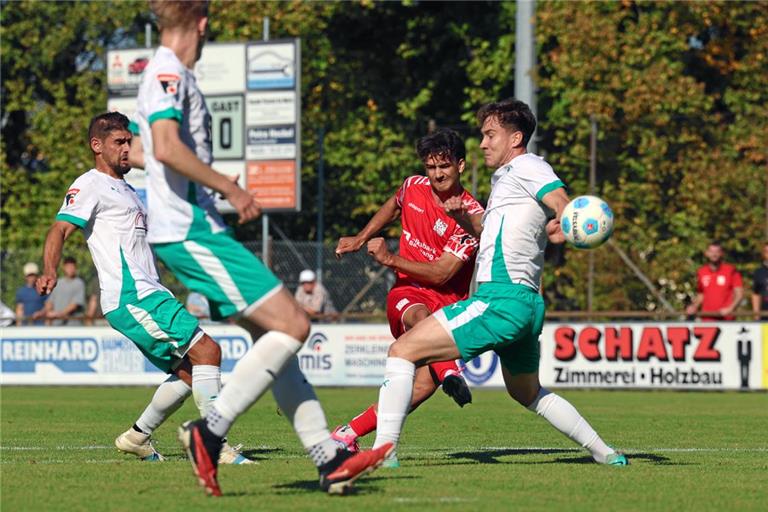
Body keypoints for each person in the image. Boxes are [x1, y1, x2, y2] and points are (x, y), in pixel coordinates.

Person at [131, 0, 392, 496]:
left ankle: (328, 458)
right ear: (202, 24)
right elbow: (165, 146)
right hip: (190, 231)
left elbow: (152, 149)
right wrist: (228, 189)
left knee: (275, 343)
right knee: (295, 323)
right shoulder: (169, 72)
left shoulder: (162, 73)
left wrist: (206, 185)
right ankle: (209, 432)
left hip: (193, 226)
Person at [369, 99, 628, 467]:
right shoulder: (507, 178)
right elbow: (498, 232)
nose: (483, 143)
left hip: (500, 299)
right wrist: (468, 219)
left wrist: (568, 214)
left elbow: (558, 197)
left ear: (516, 138)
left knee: (402, 351)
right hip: (525, 304)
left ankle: (383, 452)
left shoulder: (528, 165)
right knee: (528, 392)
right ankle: (607, 454)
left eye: (491, 134)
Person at [38, 112, 245, 468]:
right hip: (132, 296)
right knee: (208, 351)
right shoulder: (90, 185)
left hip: (149, 293)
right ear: (96, 146)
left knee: (189, 373)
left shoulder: (130, 190)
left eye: (129, 142)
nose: (126, 149)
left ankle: (136, 437)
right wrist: (50, 270)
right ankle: (213, 445)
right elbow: (59, 230)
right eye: (119, 142)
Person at [332, 128, 481, 466]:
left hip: (448, 306)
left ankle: (347, 434)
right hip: (407, 294)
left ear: (460, 165)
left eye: (444, 166)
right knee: (419, 318)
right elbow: (393, 204)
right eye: (430, 167)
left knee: (417, 390)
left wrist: (389, 258)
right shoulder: (414, 186)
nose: (437, 174)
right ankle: (450, 373)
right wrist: (361, 237)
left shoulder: (471, 217)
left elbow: (443, 273)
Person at [685, 242, 744, 321]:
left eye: (717, 252)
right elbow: (701, 294)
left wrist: (730, 308)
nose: (714, 254)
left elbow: (739, 294)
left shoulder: (731, 270)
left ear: (721, 253)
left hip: (726, 318)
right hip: (707, 318)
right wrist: (694, 306)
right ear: (707, 253)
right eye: (711, 251)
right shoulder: (701, 271)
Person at [43, 256, 86, 325]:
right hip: (57, 326)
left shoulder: (79, 283)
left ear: (75, 268)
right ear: (64, 267)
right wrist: (47, 313)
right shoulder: (58, 283)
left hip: (73, 326)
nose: (70, 269)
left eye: (72, 267)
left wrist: (58, 314)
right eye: (68, 267)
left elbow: (75, 304)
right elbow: (50, 302)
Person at [751, 242, 768, 321]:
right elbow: (756, 294)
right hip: (764, 317)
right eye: (767, 251)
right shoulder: (759, 272)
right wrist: (756, 315)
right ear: (763, 254)